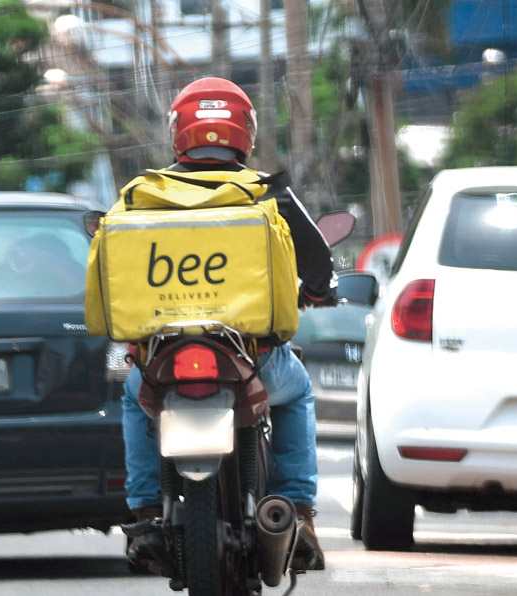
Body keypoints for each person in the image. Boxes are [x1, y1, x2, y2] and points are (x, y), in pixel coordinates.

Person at [120, 77, 337, 573]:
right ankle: (298, 514)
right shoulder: (266, 194)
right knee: (298, 393)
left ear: (178, 132)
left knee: (134, 398)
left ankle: (147, 512)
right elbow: (318, 265)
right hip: (253, 358)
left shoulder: (141, 195)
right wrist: (318, 293)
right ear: (247, 132)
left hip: (165, 360)